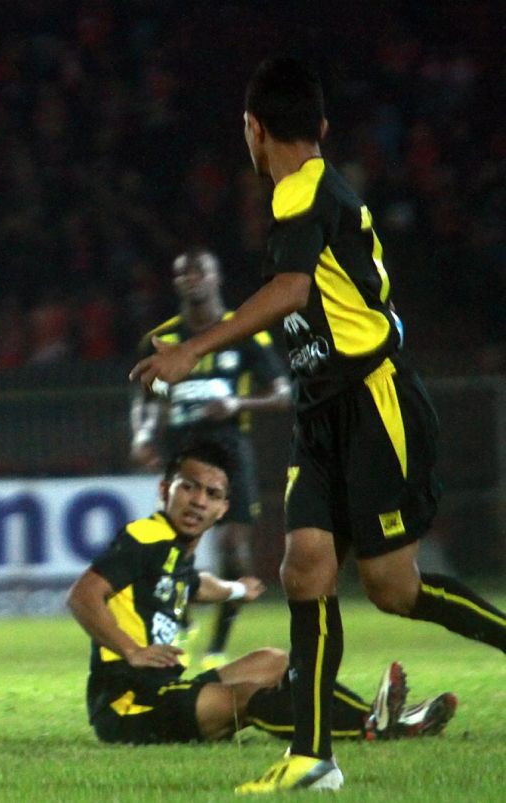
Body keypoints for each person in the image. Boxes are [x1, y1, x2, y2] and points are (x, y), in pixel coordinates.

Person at [130, 58, 506, 792]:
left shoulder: (299, 188)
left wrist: (192, 349)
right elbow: (306, 291)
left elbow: (291, 287)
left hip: (372, 401)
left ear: (253, 129)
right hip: (320, 406)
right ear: (324, 128)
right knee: (304, 567)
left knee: (395, 588)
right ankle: (314, 756)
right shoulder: (313, 189)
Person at [67, 440, 458, 747]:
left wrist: (236, 589)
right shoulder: (146, 536)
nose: (199, 501)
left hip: (166, 689)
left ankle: (381, 717)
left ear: (223, 509)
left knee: (275, 661)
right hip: (128, 702)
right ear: (166, 489)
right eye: (189, 487)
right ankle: (372, 726)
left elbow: (194, 584)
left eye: (212, 493)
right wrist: (131, 651)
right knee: (246, 698)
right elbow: (83, 596)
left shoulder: (173, 550)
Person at [130, 248, 290, 669]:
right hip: (182, 450)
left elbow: (283, 393)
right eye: (183, 273)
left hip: (230, 448)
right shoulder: (162, 337)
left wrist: (237, 403)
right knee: (176, 545)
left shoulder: (244, 332)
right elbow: (146, 395)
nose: (191, 279)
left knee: (234, 547)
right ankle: (179, 617)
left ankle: (217, 645)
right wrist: (144, 434)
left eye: (200, 271)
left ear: (217, 278)